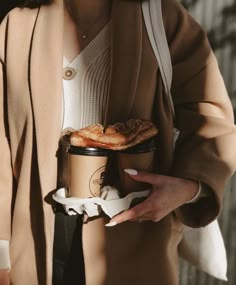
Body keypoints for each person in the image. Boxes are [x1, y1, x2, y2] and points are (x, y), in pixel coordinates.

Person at [0, 0, 236, 284]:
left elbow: (210, 116)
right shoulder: (17, 25)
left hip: (136, 236)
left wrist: (188, 186)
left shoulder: (161, 16)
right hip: (35, 240)